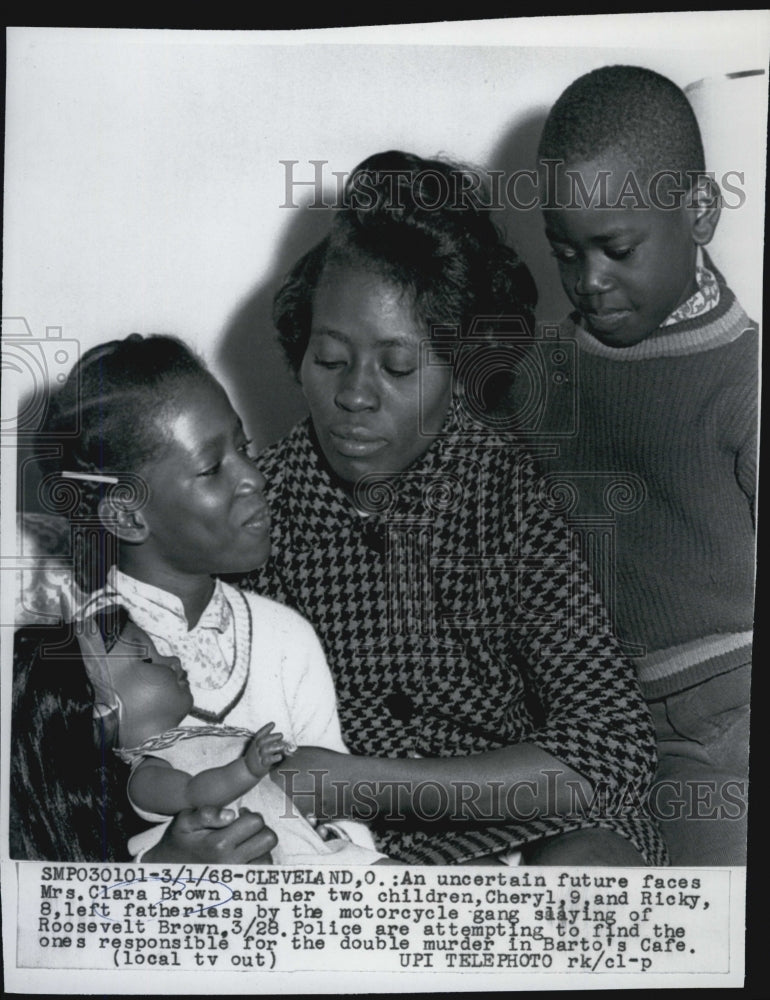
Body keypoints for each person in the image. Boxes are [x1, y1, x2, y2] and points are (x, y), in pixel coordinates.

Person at [238, 150, 668, 866]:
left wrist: (367, 783)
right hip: (345, 857)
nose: (355, 396)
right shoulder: (258, 508)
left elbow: (613, 748)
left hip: (523, 835)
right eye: (330, 358)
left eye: (398, 368)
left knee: (596, 870)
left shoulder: (508, 498)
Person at [11, 332, 380, 862]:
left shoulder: (285, 637)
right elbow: (55, 840)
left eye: (245, 449)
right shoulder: (80, 658)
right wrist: (168, 866)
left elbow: (345, 825)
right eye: (212, 469)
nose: (254, 477)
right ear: (128, 514)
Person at [531, 65, 756, 864]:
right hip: (593, 722)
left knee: (714, 922)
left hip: (725, 718)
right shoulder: (543, 368)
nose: (589, 282)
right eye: (565, 252)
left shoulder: (744, 380)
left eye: (616, 249)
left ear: (699, 211)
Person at [12, 604, 387, 864]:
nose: (171, 659)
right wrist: (248, 768)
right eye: (146, 658)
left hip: (309, 845)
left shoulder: (190, 741)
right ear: (103, 714)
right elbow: (196, 791)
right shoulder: (147, 777)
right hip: (296, 862)